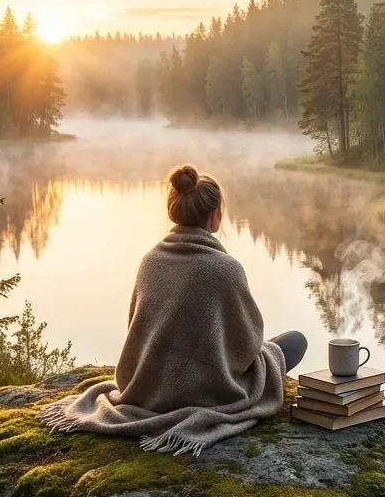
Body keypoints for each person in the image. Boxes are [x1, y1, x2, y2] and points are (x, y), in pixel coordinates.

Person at [40, 164, 307, 455]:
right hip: (208, 391)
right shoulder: (226, 269)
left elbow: (137, 331)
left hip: (148, 388)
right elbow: (247, 345)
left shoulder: (150, 261)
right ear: (214, 216)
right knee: (293, 342)